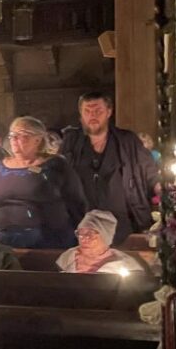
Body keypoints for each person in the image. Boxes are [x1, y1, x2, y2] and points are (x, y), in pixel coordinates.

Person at [0, 115, 87, 248]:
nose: (14, 139)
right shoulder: (1, 166)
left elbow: (76, 202)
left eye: (22, 135)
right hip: (4, 240)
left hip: (46, 240)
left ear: (38, 139)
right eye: (12, 134)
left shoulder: (56, 165)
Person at [60, 92, 160, 245]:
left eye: (98, 111)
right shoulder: (71, 142)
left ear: (109, 112)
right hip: (82, 222)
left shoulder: (127, 140)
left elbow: (150, 171)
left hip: (122, 221)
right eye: (87, 111)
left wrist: (161, 189)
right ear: (81, 114)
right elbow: (59, 174)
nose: (92, 115)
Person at [56, 210, 138, 274]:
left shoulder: (125, 263)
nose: (83, 239)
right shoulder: (68, 257)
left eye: (90, 234)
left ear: (105, 237)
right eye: (80, 233)